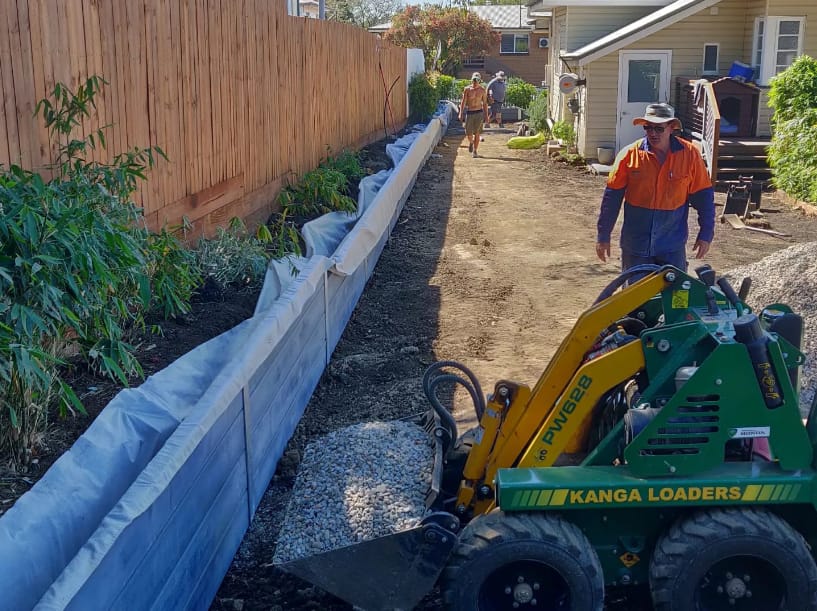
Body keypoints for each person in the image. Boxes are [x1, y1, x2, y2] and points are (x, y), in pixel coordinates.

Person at [595, 103, 715, 275]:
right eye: (648, 127)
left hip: (671, 246)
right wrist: (603, 236)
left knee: (673, 298)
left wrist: (706, 234)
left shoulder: (690, 155)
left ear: (671, 127)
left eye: (658, 128)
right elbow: (611, 201)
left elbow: (704, 198)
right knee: (635, 298)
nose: (652, 133)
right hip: (636, 245)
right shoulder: (629, 156)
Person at [459, 72, 488, 158]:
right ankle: (471, 142)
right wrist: (460, 113)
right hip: (470, 112)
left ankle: (475, 151)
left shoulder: (482, 90)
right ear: (472, 80)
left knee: (477, 133)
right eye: (474, 80)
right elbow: (463, 102)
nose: (475, 82)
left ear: (480, 81)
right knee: (468, 133)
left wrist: (486, 116)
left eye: (477, 80)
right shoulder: (467, 89)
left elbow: (485, 104)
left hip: (479, 112)